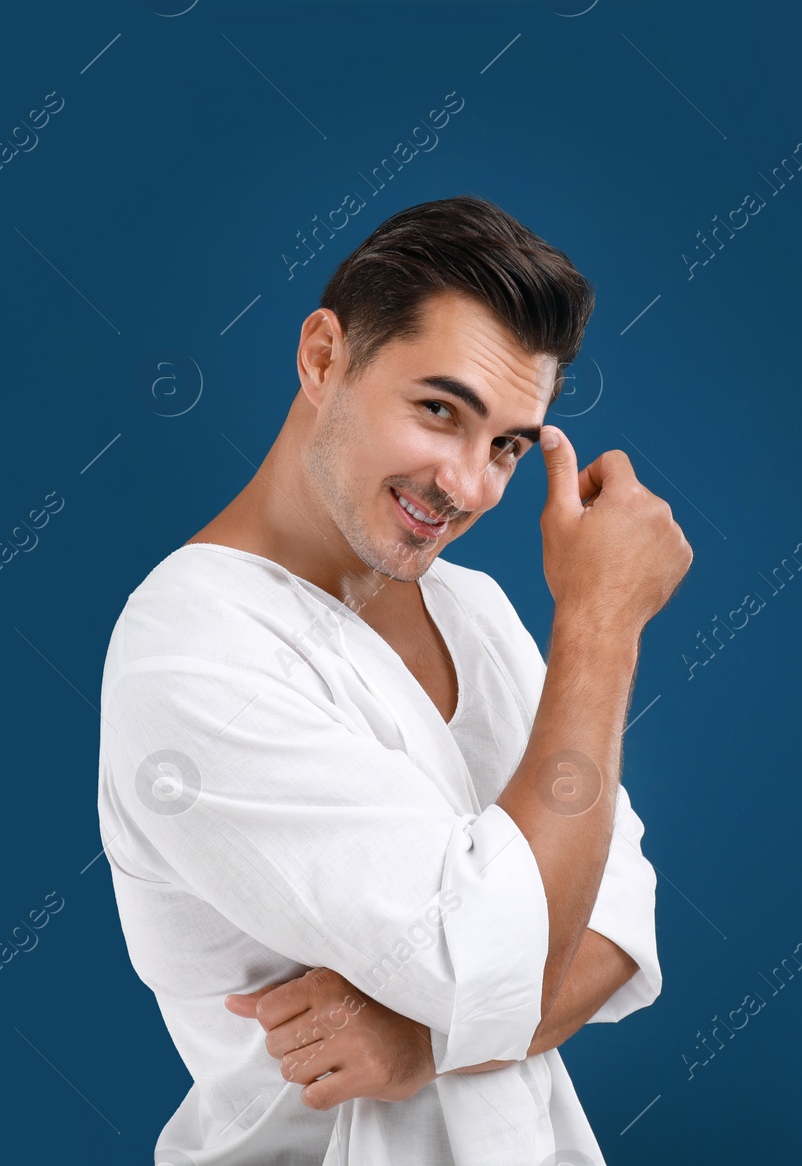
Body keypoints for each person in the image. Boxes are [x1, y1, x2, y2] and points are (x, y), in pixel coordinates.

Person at [96, 194, 693, 1165]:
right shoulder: (195, 647)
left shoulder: (478, 613)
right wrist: (601, 620)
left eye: (504, 443)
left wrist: (430, 1037)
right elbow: (491, 957)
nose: (466, 484)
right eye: (438, 410)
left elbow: (619, 919)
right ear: (324, 356)